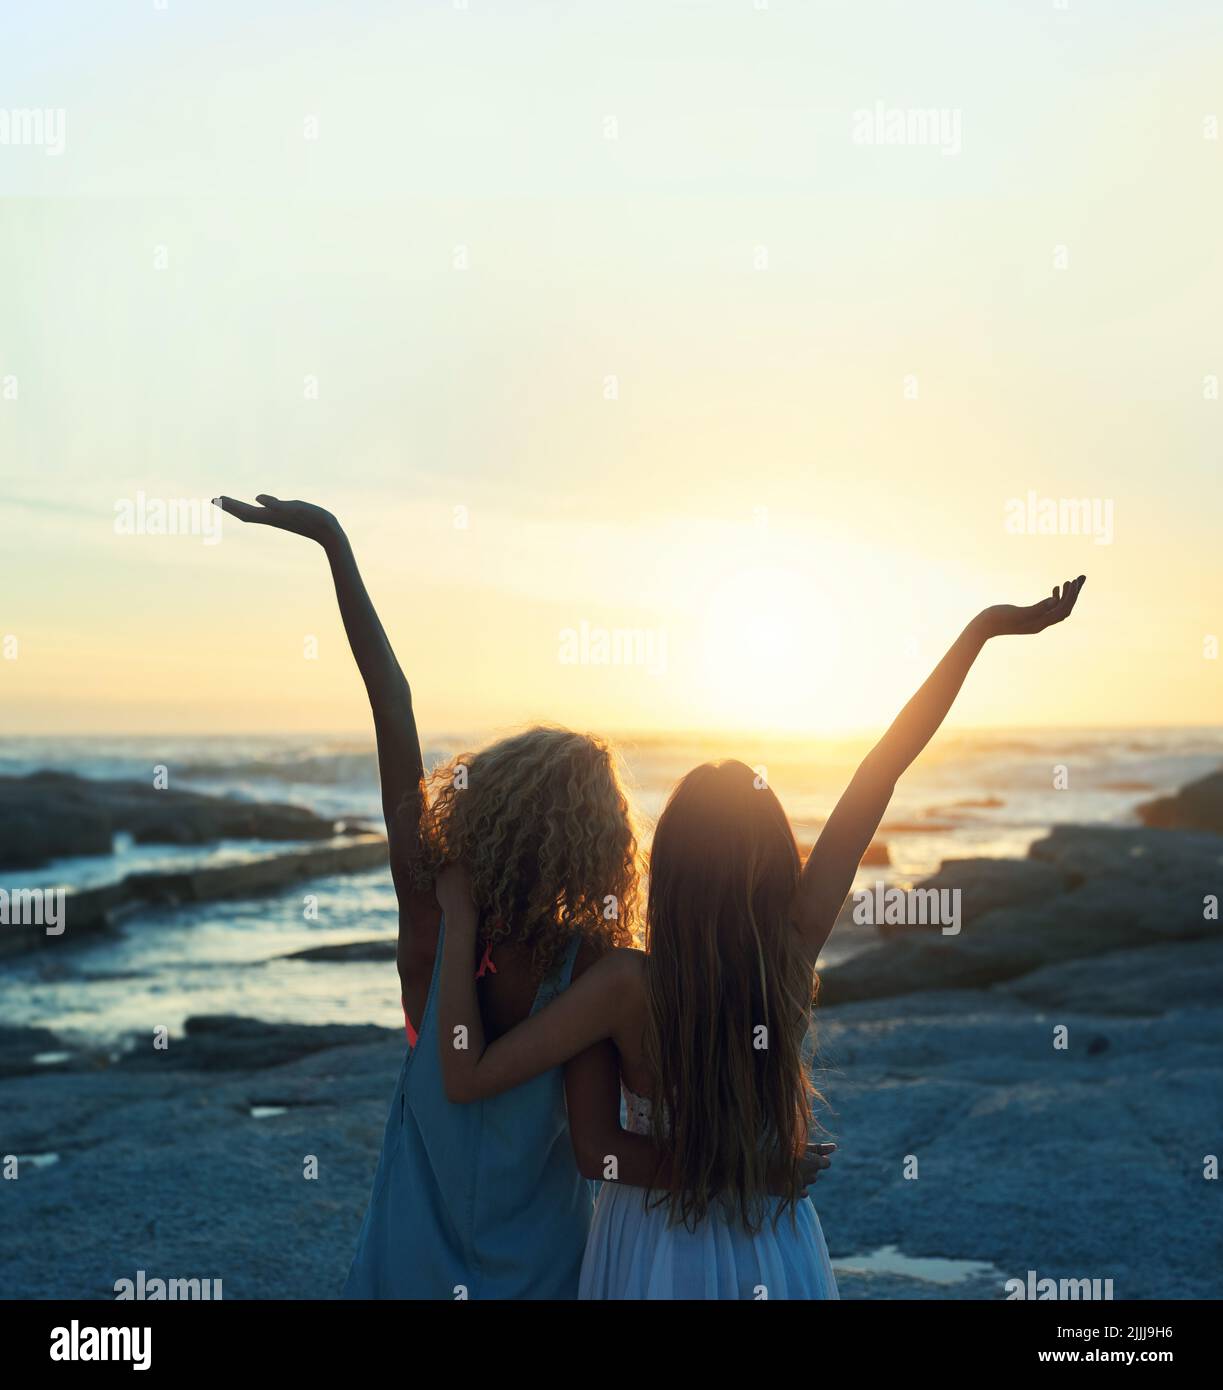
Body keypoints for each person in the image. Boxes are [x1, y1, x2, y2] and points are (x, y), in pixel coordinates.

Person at [434, 577, 1087, 1299]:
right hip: (768, 1233)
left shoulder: (619, 982)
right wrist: (980, 632)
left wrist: (460, 921)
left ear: (670, 866)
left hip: (652, 1241)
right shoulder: (790, 944)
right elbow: (883, 769)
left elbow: (561, 1133)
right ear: (774, 855)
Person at [213, 494, 666, 1298]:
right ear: (597, 852)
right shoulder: (586, 965)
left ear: (484, 809)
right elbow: (602, 1138)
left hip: (409, 1267)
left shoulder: (433, 913)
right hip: (541, 1270)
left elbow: (393, 703)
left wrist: (334, 544)